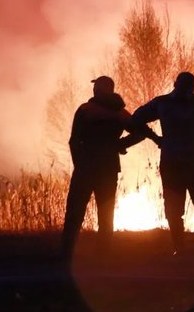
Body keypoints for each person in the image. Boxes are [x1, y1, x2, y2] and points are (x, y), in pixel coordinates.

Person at [62, 75, 159, 259]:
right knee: (106, 214)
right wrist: (120, 144)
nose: (94, 89)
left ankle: (67, 253)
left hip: (85, 167)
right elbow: (140, 132)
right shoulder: (119, 113)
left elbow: (74, 140)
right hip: (108, 168)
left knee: (74, 212)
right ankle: (103, 254)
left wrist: (78, 163)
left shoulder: (86, 110)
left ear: (100, 90)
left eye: (96, 87)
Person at [131, 72, 194, 255]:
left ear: (175, 84)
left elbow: (136, 119)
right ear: (193, 87)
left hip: (173, 163)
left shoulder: (162, 103)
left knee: (175, 208)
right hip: (193, 163)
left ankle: (180, 249)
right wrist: (156, 138)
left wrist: (156, 138)